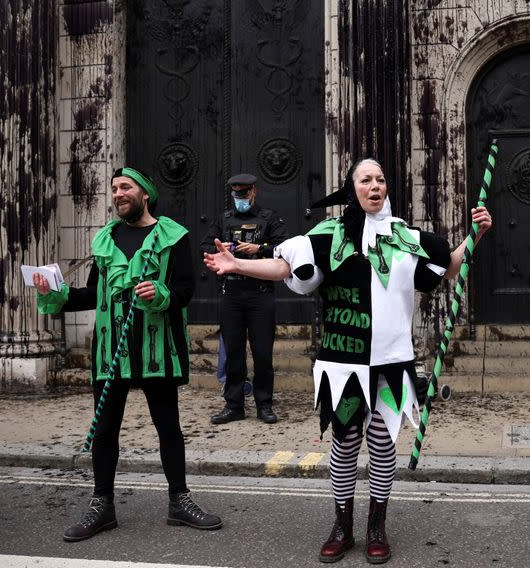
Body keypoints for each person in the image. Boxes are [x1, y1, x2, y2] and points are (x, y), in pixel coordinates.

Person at [203, 159, 492, 564]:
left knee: (382, 442)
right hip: (344, 368)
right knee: (345, 441)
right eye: (365, 179)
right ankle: (342, 525)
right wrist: (238, 265)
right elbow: (285, 265)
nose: (375, 185)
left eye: (380, 179)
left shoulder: (407, 237)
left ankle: (377, 525)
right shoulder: (331, 234)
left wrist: (475, 235)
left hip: (392, 366)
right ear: (351, 188)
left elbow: (446, 269)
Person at [35, 166, 222, 542]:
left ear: (144, 194)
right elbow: (93, 295)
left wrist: (162, 294)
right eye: (115, 188)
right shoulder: (106, 239)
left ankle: (179, 501)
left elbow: (186, 290)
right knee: (105, 431)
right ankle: (102, 506)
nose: (118, 193)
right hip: (110, 352)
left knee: (168, 427)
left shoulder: (173, 236)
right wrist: (53, 293)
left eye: (126, 188)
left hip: (157, 350)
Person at [200, 173, 289, 425]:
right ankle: (234, 405)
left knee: (262, 353)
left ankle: (264, 405)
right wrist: (221, 251)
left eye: (244, 193)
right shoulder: (224, 219)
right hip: (232, 295)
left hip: (260, 296)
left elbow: (286, 247)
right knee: (234, 353)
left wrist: (259, 248)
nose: (240, 198)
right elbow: (206, 246)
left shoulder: (269, 218)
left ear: (254, 192)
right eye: (235, 194)